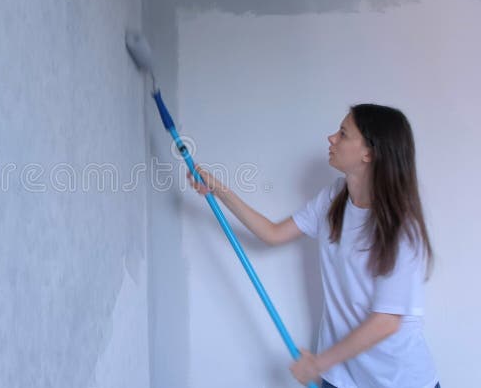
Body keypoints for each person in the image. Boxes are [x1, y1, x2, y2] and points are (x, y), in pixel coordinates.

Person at [187, 104, 440, 388]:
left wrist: (318, 364)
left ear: (369, 152)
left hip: (397, 379)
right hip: (342, 376)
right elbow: (272, 233)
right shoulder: (335, 197)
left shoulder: (402, 227)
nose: (331, 138)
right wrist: (217, 189)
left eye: (343, 134)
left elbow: (387, 321)